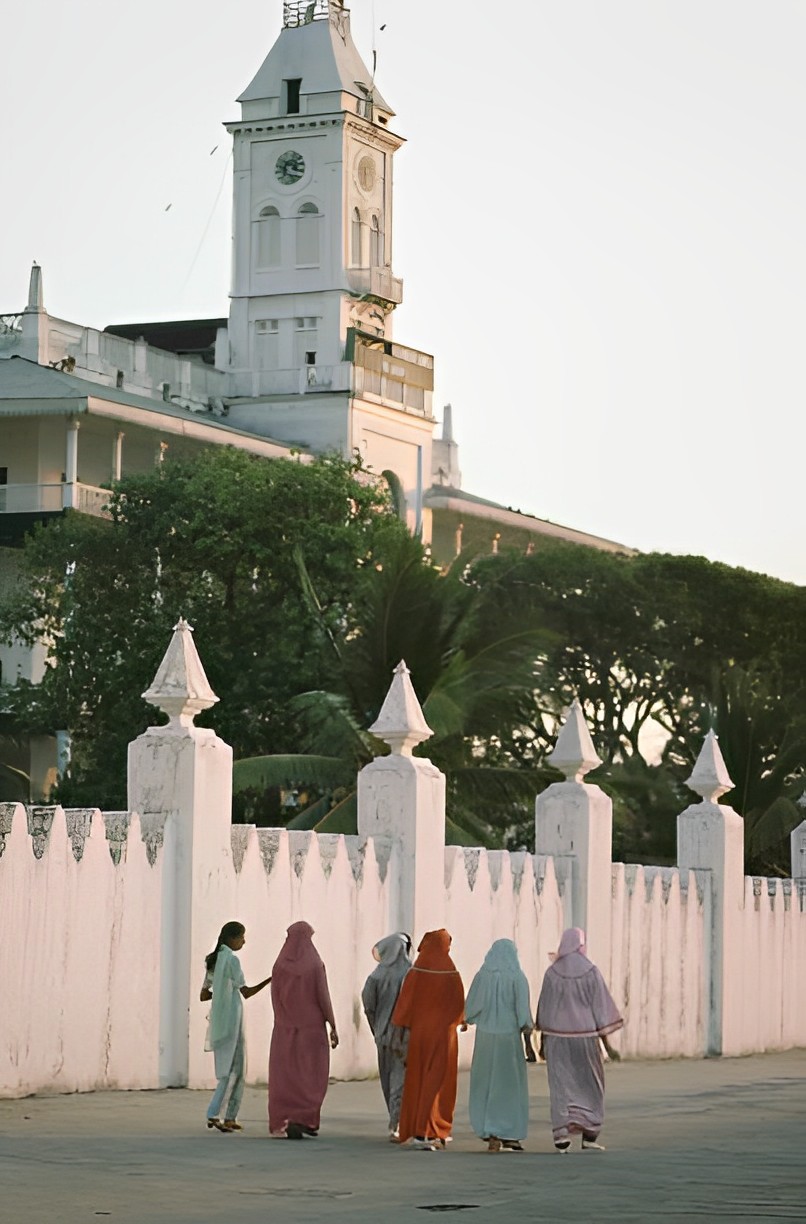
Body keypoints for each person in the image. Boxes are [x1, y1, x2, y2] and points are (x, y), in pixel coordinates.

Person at [535, 927, 623, 1153]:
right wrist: (608, 1047)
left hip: (556, 1038)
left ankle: (562, 1137)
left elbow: (545, 1009)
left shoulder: (552, 973)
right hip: (585, 1037)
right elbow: (600, 1010)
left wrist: (543, 1043)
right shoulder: (591, 971)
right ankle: (589, 1135)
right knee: (591, 1085)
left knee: (561, 1086)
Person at [391, 928, 465, 1151]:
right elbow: (459, 1006)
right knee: (438, 1082)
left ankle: (420, 1128)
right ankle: (428, 1130)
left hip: (420, 1034)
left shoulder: (416, 971)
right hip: (444, 1036)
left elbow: (404, 1005)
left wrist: (401, 1028)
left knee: (418, 1080)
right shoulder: (451, 971)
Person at [268, 921, 339, 1140]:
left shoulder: (279, 965)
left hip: (285, 1028)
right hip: (312, 1029)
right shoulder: (314, 964)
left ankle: (286, 1117)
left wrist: (282, 1021)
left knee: (286, 1075)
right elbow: (322, 996)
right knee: (312, 1075)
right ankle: (306, 1117)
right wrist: (332, 1024)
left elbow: (275, 997)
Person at [200, 921, 271, 1133]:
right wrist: (270, 980)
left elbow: (204, 995)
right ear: (232, 938)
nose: (244, 941)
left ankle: (228, 1116)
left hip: (220, 1021)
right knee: (234, 1069)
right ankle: (217, 1113)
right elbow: (246, 992)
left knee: (229, 1069)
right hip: (233, 1020)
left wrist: (221, 995)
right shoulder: (232, 960)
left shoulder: (214, 960)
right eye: (241, 937)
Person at [465, 939, 533, 1153]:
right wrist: (529, 1037)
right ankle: (508, 1134)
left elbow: (472, 1007)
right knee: (508, 1087)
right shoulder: (517, 977)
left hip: (485, 1037)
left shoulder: (482, 976)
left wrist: (468, 1020)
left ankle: (489, 1132)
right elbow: (523, 1012)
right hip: (508, 1038)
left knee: (484, 1084)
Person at [361, 932, 413, 1142]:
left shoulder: (376, 976)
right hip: (405, 1035)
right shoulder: (411, 973)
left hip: (382, 1034)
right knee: (400, 1079)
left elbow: (368, 1006)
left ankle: (395, 1120)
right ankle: (397, 1121)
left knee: (387, 1078)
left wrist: (376, 1029)